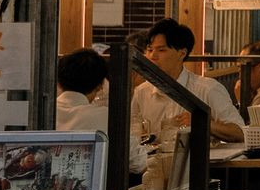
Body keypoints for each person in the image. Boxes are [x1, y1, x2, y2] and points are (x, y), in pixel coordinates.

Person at [51, 46, 151, 178]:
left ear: (59, 83)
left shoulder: (45, 111)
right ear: (100, 86)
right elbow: (138, 162)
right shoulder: (106, 116)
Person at [139, 19, 243, 146]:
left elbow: (239, 132)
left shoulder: (208, 89)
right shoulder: (141, 92)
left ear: (182, 53)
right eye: (149, 50)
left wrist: (201, 123)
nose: (152, 56)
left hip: (197, 159)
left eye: (161, 50)